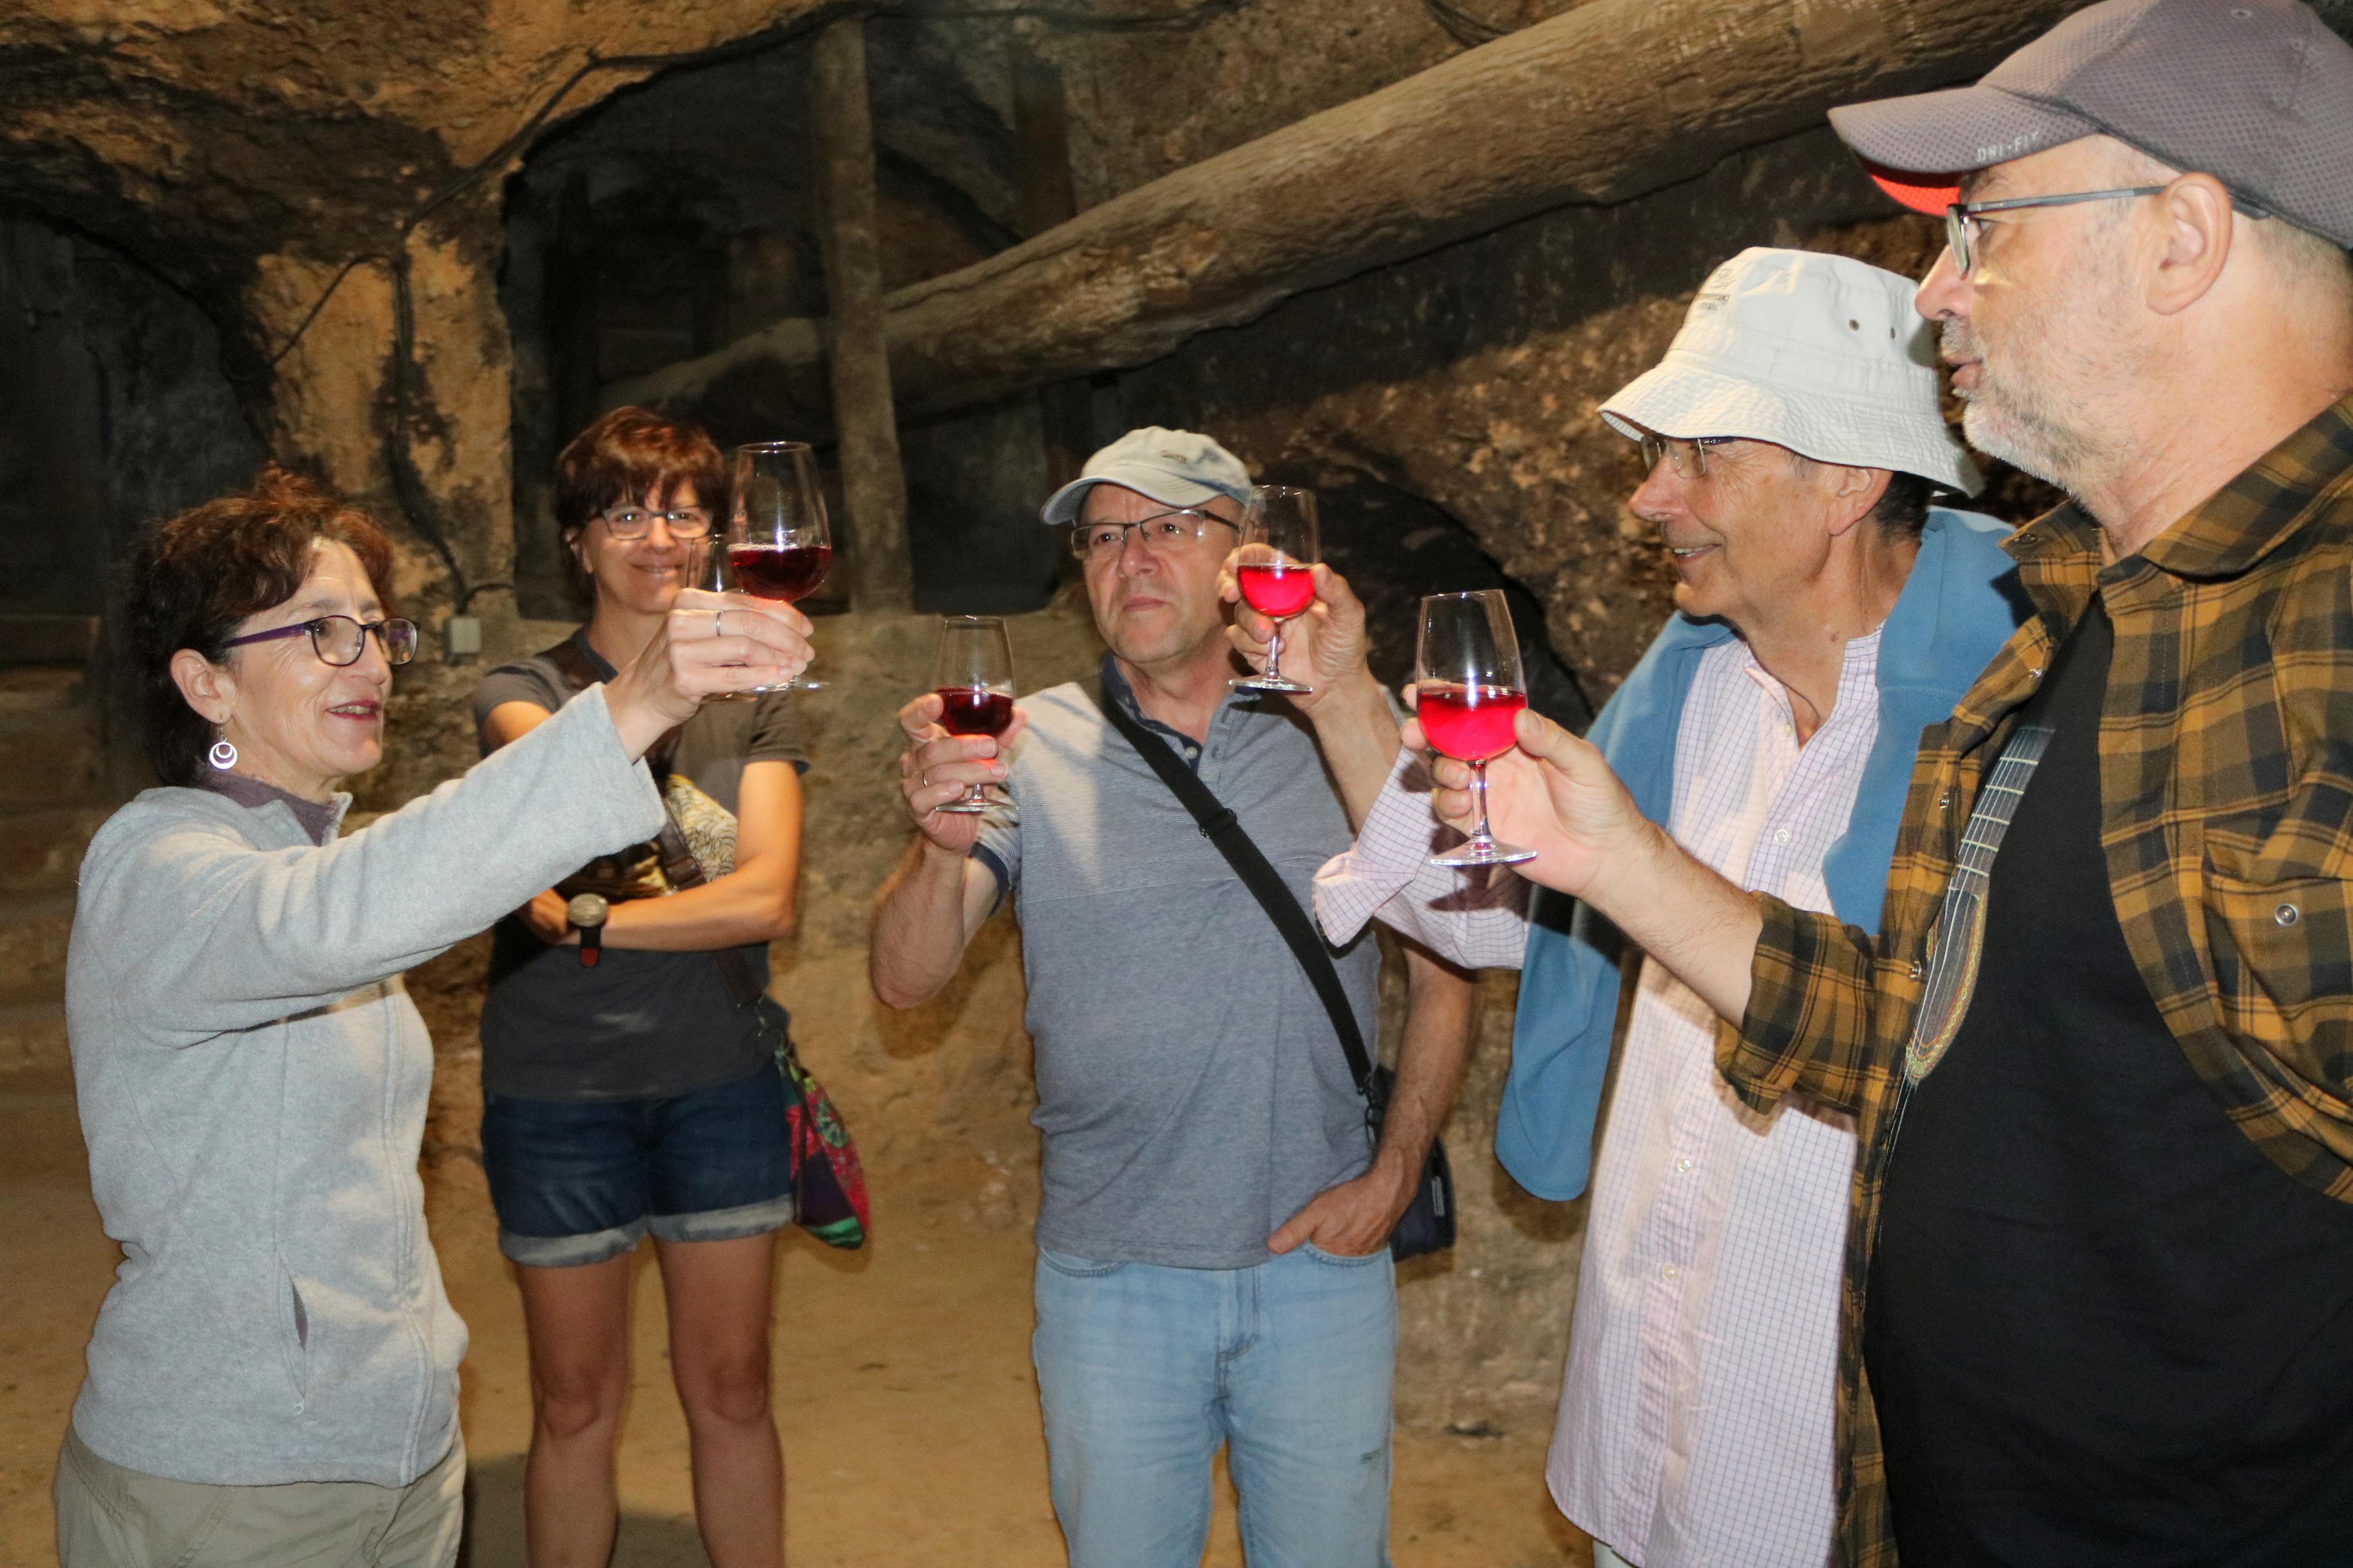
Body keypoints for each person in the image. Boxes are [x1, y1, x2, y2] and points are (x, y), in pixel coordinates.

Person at [1419, 2, 2353, 1563]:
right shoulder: (2070, 626)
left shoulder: (2320, 632)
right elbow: (1927, 1043)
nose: (1934, 294)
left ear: (2181, 238)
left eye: (1982, 231)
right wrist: (1621, 864)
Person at [1256, 248, 2024, 1568]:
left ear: (1846, 477)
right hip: (1657, 1385)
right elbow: (1508, 922)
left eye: (1701, 456)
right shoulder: (1692, 687)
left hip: (1845, 1416)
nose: (1650, 496)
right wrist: (1339, 697)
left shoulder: (2012, 709)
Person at [55, 465, 810, 1567]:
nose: (364, 658)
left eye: (372, 629)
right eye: (318, 631)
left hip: (401, 1459)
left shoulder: (313, 855)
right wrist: (633, 705)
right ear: (203, 682)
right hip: (232, 1483)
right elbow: (335, 917)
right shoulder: (158, 865)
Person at [868, 428, 1479, 1568]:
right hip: (1113, 1278)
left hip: (1317, 1268)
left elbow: (1451, 958)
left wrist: (1397, 1168)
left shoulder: (1338, 727)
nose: (1130, 559)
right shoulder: (1024, 742)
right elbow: (904, 980)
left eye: (1167, 528)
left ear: (1247, 555)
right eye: (1104, 537)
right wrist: (938, 852)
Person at [470, 407, 805, 1568]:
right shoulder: (521, 686)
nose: (657, 534)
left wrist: (600, 918)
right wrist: (574, 895)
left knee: (734, 1386)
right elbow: (551, 814)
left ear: (713, 533)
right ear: (578, 539)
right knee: (574, 1404)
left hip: (718, 1082)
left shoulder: (758, 696)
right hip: (557, 1093)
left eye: (682, 510)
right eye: (625, 510)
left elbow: (766, 902)